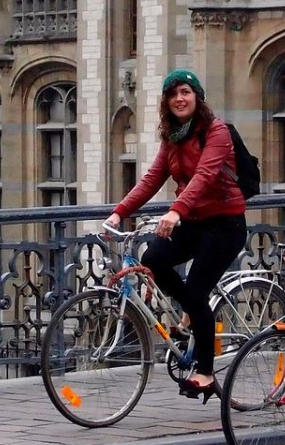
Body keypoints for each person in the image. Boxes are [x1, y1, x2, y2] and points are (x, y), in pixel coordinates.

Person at [104, 69, 247, 403]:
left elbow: (205, 175)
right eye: (173, 94)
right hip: (193, 221)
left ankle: (206, 372)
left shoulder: (216, 131)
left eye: (185, 91)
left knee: (196, 291)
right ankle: (193, 314)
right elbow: (153, 178)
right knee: (152, 258)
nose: (179, 99)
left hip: (225, 223)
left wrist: (175, 210)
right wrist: (119, 212)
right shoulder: (173, 137)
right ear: (166, 102)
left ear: (197, 96)